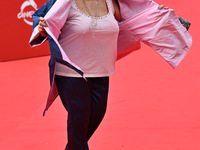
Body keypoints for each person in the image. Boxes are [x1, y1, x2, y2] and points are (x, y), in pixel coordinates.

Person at [29, 0, 191, 149]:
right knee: (78, 126)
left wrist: (157, 14)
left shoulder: (112, 2)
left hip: (101, 72)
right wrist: (43, 30)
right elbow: (42, 20)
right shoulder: (64, 2)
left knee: (89, 124)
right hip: (71, 73)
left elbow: (138, 16)